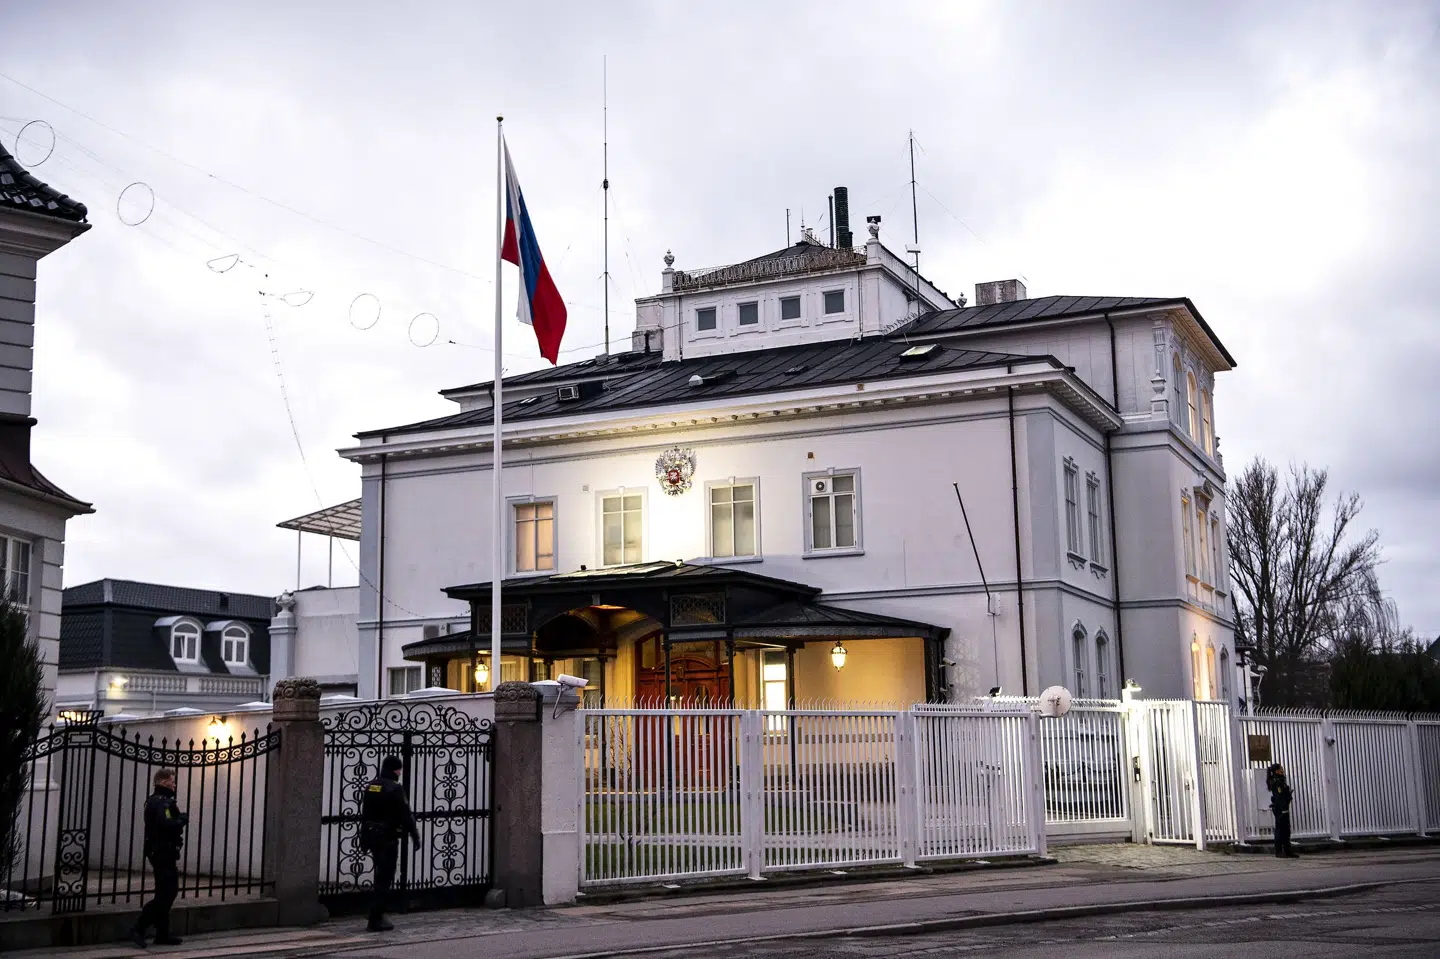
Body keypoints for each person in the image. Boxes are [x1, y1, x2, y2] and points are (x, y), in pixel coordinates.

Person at [359, 755, 421, 933]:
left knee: (380, 875)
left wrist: (364, 839)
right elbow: (405, 815)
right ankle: (376, 918)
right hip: (387, 837)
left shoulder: (372, 786)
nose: (400, 773)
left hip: (372, 836)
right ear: (396, 770)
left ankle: (376, 914)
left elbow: (365, 814)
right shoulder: (395, 788)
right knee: (384, 878)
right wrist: (415, 836)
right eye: (399, 770)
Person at [131, 767, 188, 948]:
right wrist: (181, 821)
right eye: (172, 781)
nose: (174, 784)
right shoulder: (161, 802)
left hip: (164, 853)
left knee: (165, 892)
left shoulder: (158, 801)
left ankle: (162, 934)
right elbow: (167, 825)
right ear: (163, 782)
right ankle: (139, 928)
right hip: (162, 853)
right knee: (167, 892)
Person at [1266, 762, 1298, 858]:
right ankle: (1279, 851)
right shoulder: (1277, 782)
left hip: (1283, 808)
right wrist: (1285, 803)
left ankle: (1288, 850)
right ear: (1276, 771)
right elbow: (1279, 797)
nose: (1283, 771)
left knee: (1286, 830)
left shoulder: (1280, 780)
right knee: (1280, 830)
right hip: (1280, 809)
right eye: (1281, 769)